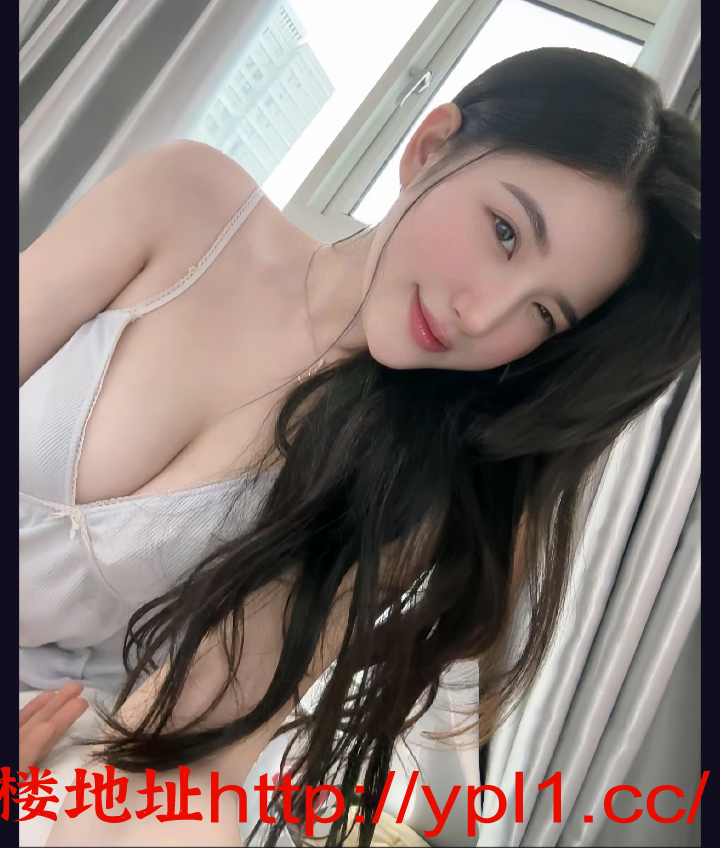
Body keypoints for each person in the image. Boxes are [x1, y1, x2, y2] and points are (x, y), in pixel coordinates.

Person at [20, 47, 699, 846]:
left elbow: (193, 755)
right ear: (430, 147)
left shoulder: (400, 481)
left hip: (54, 746)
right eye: (505, 233)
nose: (483, 315)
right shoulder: (186, 204)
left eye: (544, 314)